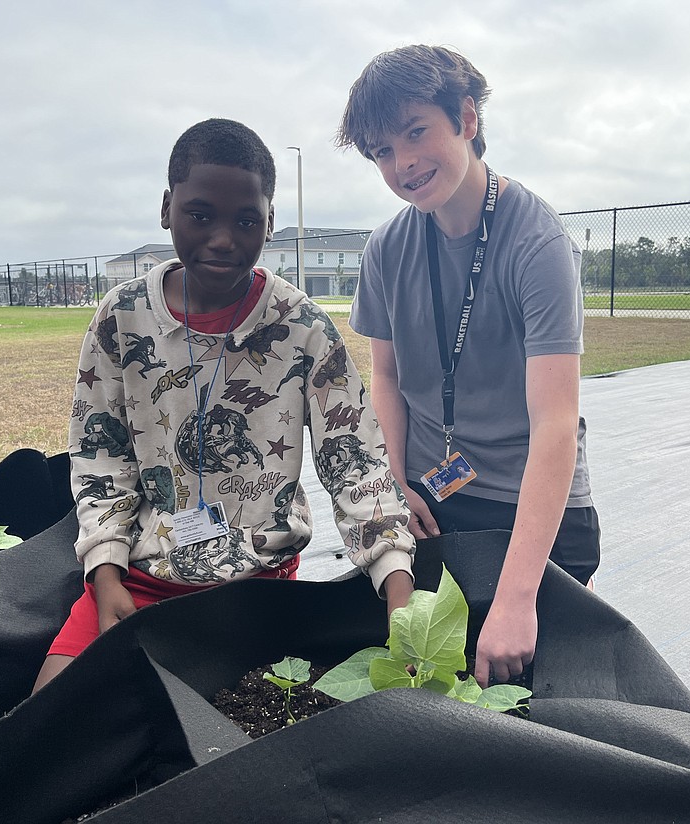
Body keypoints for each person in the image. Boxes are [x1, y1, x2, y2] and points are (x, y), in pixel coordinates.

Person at [34, 118, 415, 692]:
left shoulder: (303, 328)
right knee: (52, 716)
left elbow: (356, 462)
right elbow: (100, 457)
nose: (222, 238)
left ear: (270, 222)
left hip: (258, 587)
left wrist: (398, 592)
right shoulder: (122, 318)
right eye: (200, 214)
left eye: (246, 220)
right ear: (167, 208)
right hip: (139, 578)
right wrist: (106, 573)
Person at [337, 45, 600, 688]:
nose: (403, 163)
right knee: (427, 690)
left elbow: (556, 424)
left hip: (530, 512)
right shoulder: (387, 248)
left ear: (468, 118)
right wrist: (396, 482)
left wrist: (516, 599)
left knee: (527, 705)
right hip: (435, 501)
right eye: (381, 151)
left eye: (415, 132)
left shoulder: (536, 242)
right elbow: (389, 380)